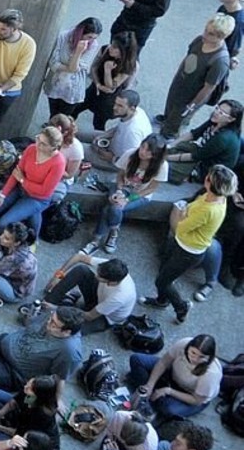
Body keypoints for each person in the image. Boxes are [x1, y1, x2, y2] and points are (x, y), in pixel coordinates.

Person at [145, 165, 237, 321]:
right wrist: (185, 213)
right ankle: (162, 300)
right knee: (163, 270)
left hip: (188, 251)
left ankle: (181, 307)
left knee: (162, 281)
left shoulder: (208, 209)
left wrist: (182, 213)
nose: (205, 177)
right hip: (181, 243)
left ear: (210, 183)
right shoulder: (216, 197)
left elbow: (181, 227)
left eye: (208, 176)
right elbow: (187, 216)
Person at [0, 306, 84, 394]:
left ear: (67, 332)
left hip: (13, 371)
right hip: (2, 343)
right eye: (50, 319)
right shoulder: (53, 315)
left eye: (54, 324)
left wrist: (57, 400)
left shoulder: (69, 351)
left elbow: (60, 378)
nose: (48, 323)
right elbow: (30, 324)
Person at [86, 135, 168, 253]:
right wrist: (119, 191)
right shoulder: (131, 154)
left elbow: (150, 189)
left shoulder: (162, 166)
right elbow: (120, 175)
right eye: (143, 147)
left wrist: (128, 199)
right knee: (114, 204)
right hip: (123, 186)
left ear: (155, 155)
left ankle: (96, 240)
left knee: (112, 208)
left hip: (140, 194)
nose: (143, 152)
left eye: (149, 151)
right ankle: (113, 232)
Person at [161, 14, 234, 137]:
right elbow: (188, 57)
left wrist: (192, 105)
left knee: (178, 119)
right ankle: (166, 121)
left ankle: (168, 135)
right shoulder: (199, 40)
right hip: (180, 84)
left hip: (191, 95)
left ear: (222, 37)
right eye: (206, 30)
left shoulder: (220, 61)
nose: (205, 35)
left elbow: (209, 87)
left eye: (211, 34)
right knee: (171, 107)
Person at [0, 126, 65, 238]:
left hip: (37, 199)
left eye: (43, 144)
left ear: (53, 148)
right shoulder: (31, 149)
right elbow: (16, 173)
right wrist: (2, 195)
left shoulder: (58, 163)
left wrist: (23, 180)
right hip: (20, 188)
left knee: (4, 223)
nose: (38, 144)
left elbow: (44, 191)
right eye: (38, 139)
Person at [127, 334, 223, 420]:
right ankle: (150, 393)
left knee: (168, 409)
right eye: (193, 353)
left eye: (201, 357)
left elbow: (196, 400)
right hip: (172, 375)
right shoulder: (183, 343)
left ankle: (154, 398)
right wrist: (150, 384)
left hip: (189, 395)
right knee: (137, 359)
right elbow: (163, 362)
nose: (195, 359)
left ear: (209, 357)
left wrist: (168, 391)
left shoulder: (211, 374)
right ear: (189, 347)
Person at [41, 254, 135, 334]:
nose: (96, 276)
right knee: (81, 270)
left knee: (64, 330)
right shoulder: (110, 267)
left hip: (103, 317)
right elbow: (78, 257)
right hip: (99, 296)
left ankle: (59, 306)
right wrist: (58, 276)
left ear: (111, 282)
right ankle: (49, 302)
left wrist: (57, 309)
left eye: (100, 276)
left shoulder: (119, 297)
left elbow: (90, 316)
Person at [166, 100, 242, 185]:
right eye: (217, 108)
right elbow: (194, 134)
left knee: (165, 169)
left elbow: (196, 156)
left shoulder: (223, 138)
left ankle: (191, 176)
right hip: (202, 152)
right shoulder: (215, 121)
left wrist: (167, 157)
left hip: (208, 168)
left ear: (231, 119)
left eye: (221, 113)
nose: (216, 112)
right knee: (177, 146)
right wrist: (170, 145)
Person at [44, 18, 104, 118]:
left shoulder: (93, 45)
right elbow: (53, 62)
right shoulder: (64, 36)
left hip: (73, 88)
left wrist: (78, 52)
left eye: (94, 38)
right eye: (89, 37)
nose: (90, 41)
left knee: (64, 117)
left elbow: (75, 68)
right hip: (55, 83)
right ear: (81, 33)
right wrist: (69, 67)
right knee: (53, 114)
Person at [93, 89, 153, 167]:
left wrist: (112, 158)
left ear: (132, 109)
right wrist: (104, 135)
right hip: (113, 140)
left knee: (80, 149)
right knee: (78, 133)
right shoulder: (136, 111)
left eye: (120, 106)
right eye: (115, 103)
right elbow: (120, 127)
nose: (114, 107)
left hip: (116, 161)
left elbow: (133, 160)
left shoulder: (133, 133)